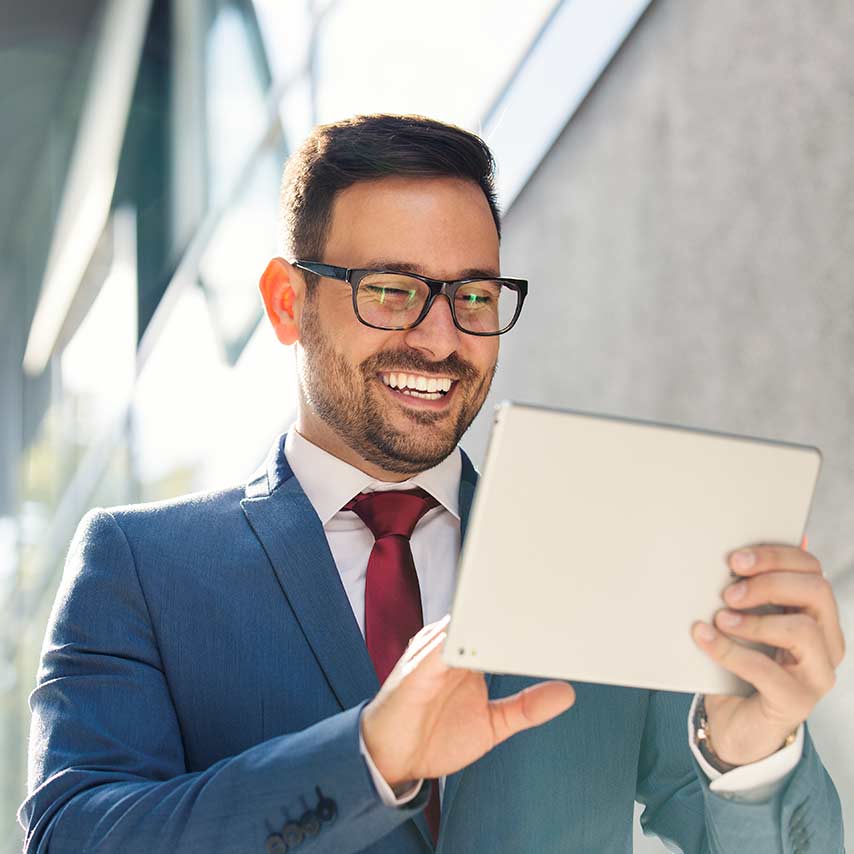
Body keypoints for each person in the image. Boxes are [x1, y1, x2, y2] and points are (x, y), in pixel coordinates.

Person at [19, 114, 844, 853]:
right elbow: (73, 840)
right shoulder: (141, 567)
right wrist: (367, 758)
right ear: (286, 303)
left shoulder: (604, 554)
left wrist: (752, 755)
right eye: (392, 291)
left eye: (474, 296)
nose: (442, 339)